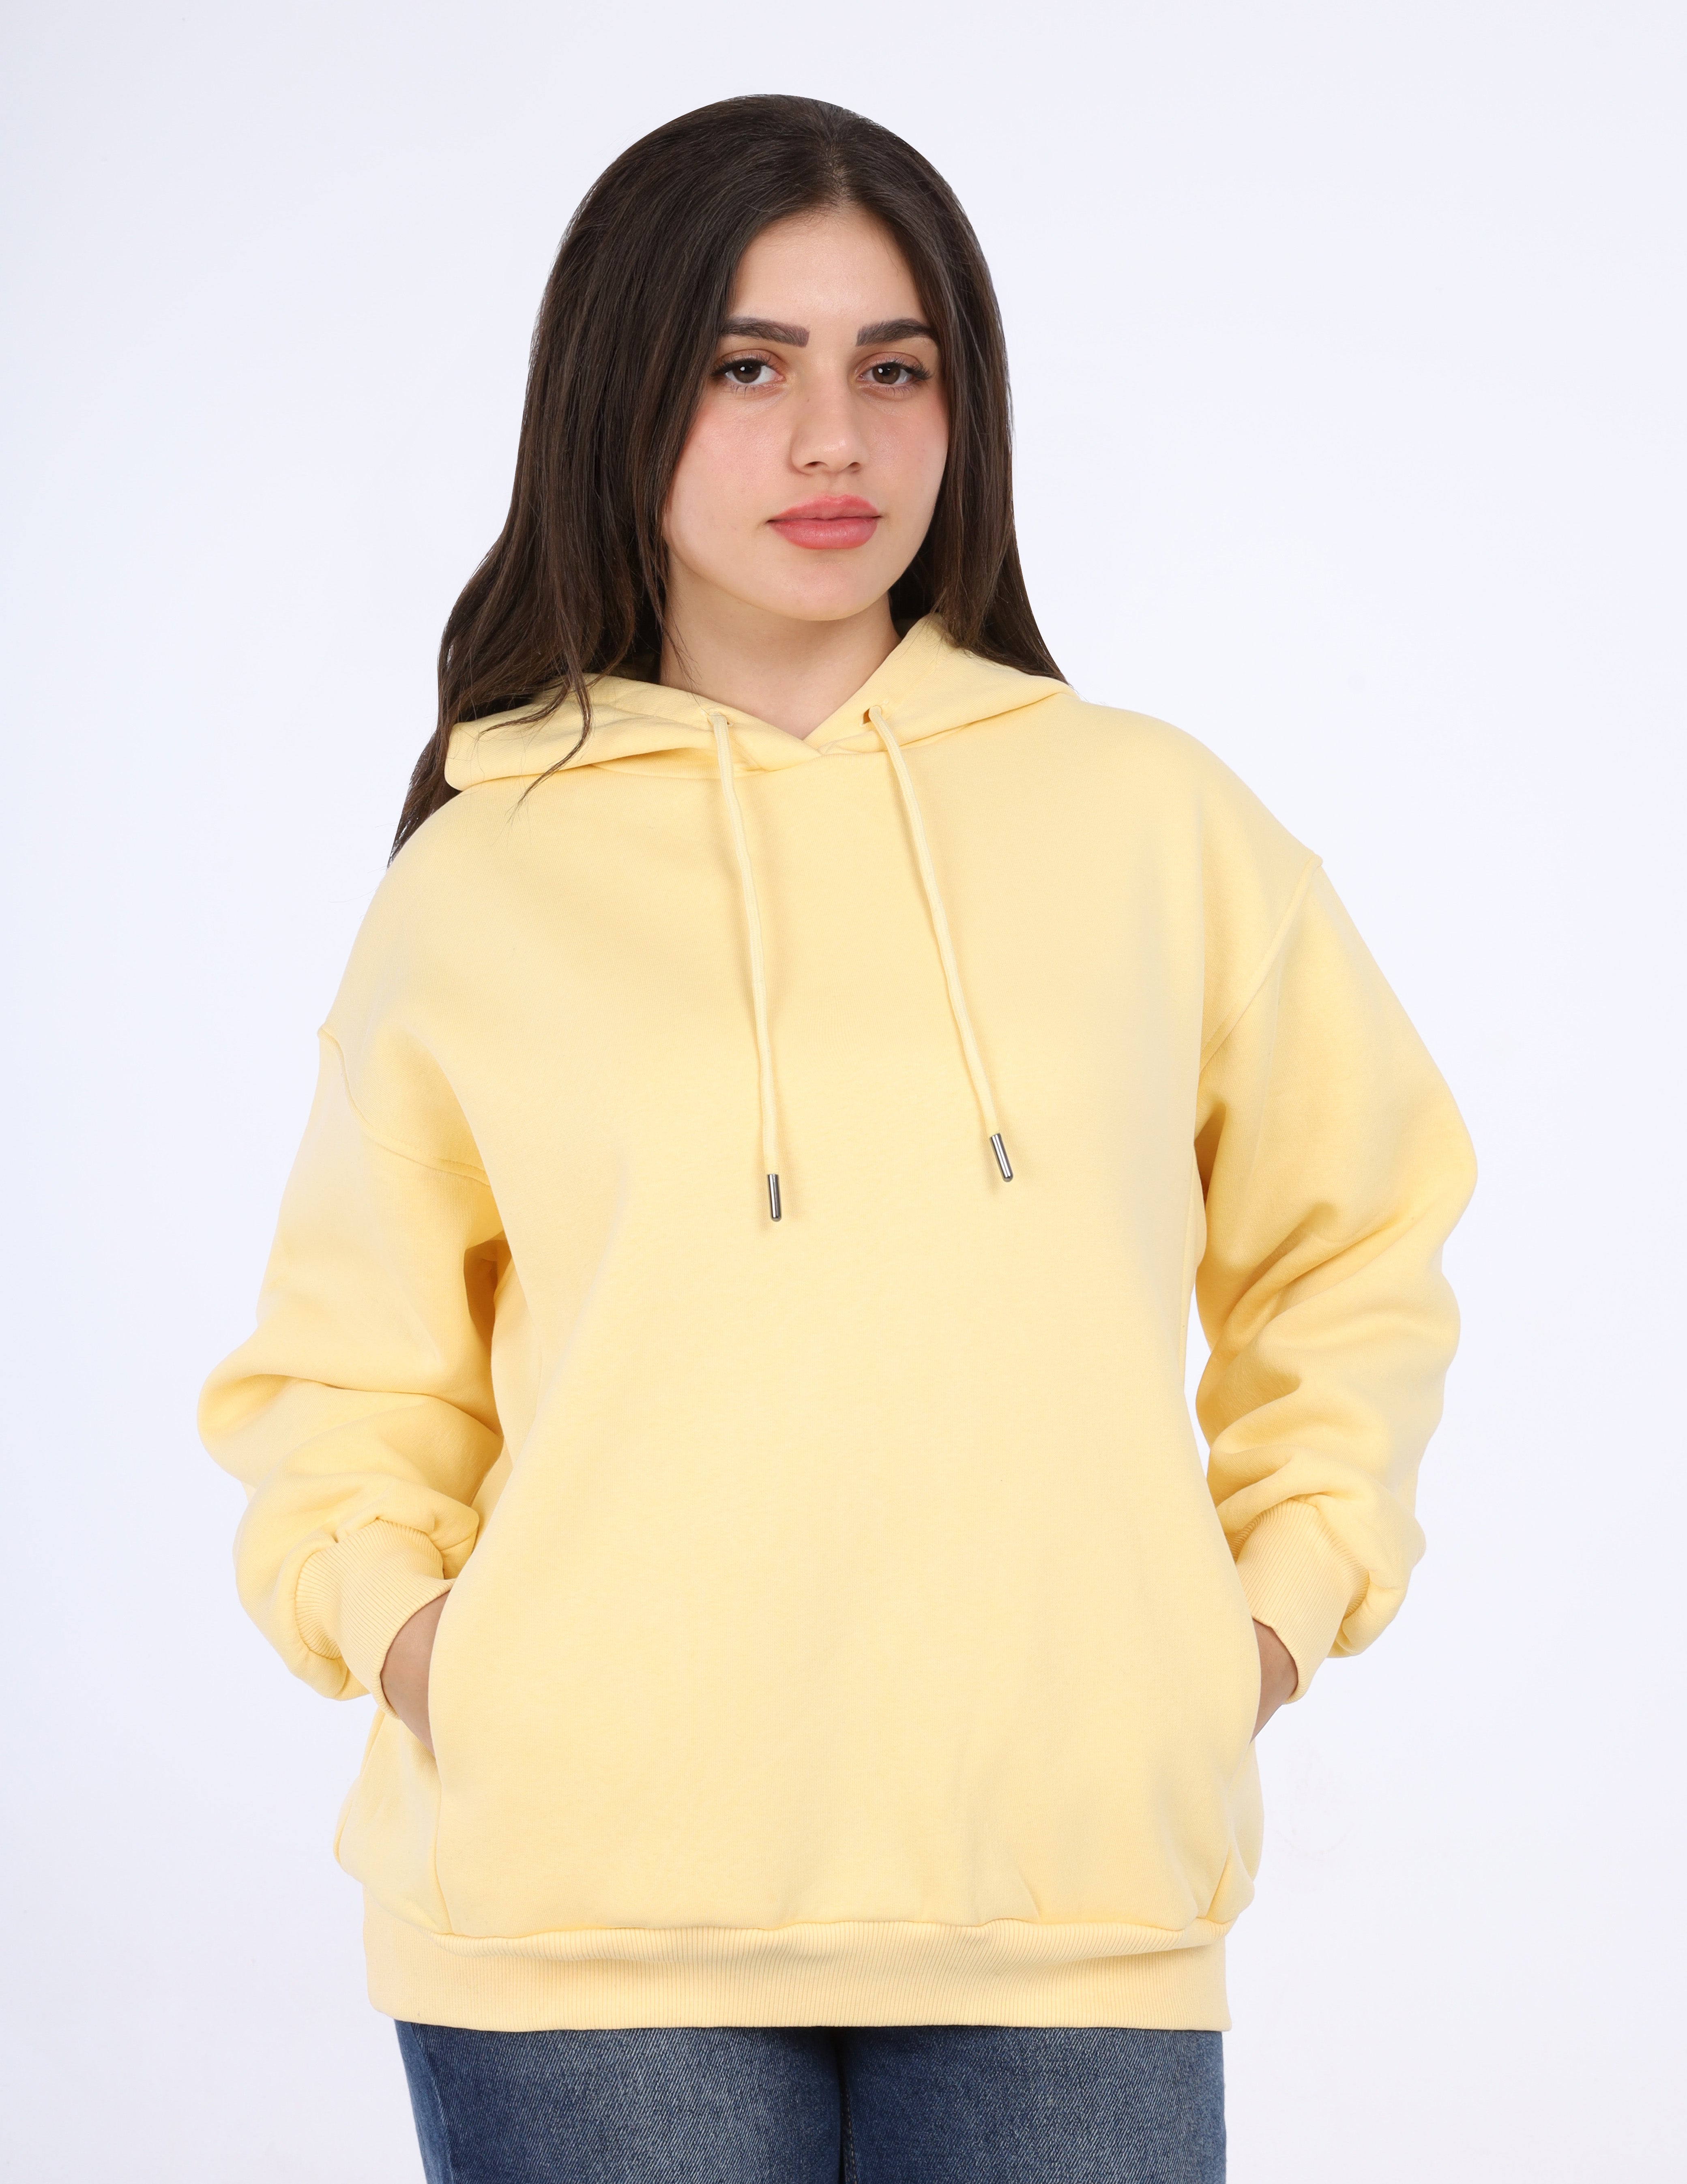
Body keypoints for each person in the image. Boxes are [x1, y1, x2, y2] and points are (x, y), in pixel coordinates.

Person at [199, 93, 1477, 2184]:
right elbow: (349, 1377)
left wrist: (1257, 1622)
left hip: (1070, 1904)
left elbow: (1357, 1239)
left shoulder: (1153, 821)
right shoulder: (488, 870)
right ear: (620, 395)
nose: (833, 443)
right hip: (581, 1924)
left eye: (896, 370)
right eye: (746, 365)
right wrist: (441, 1660)